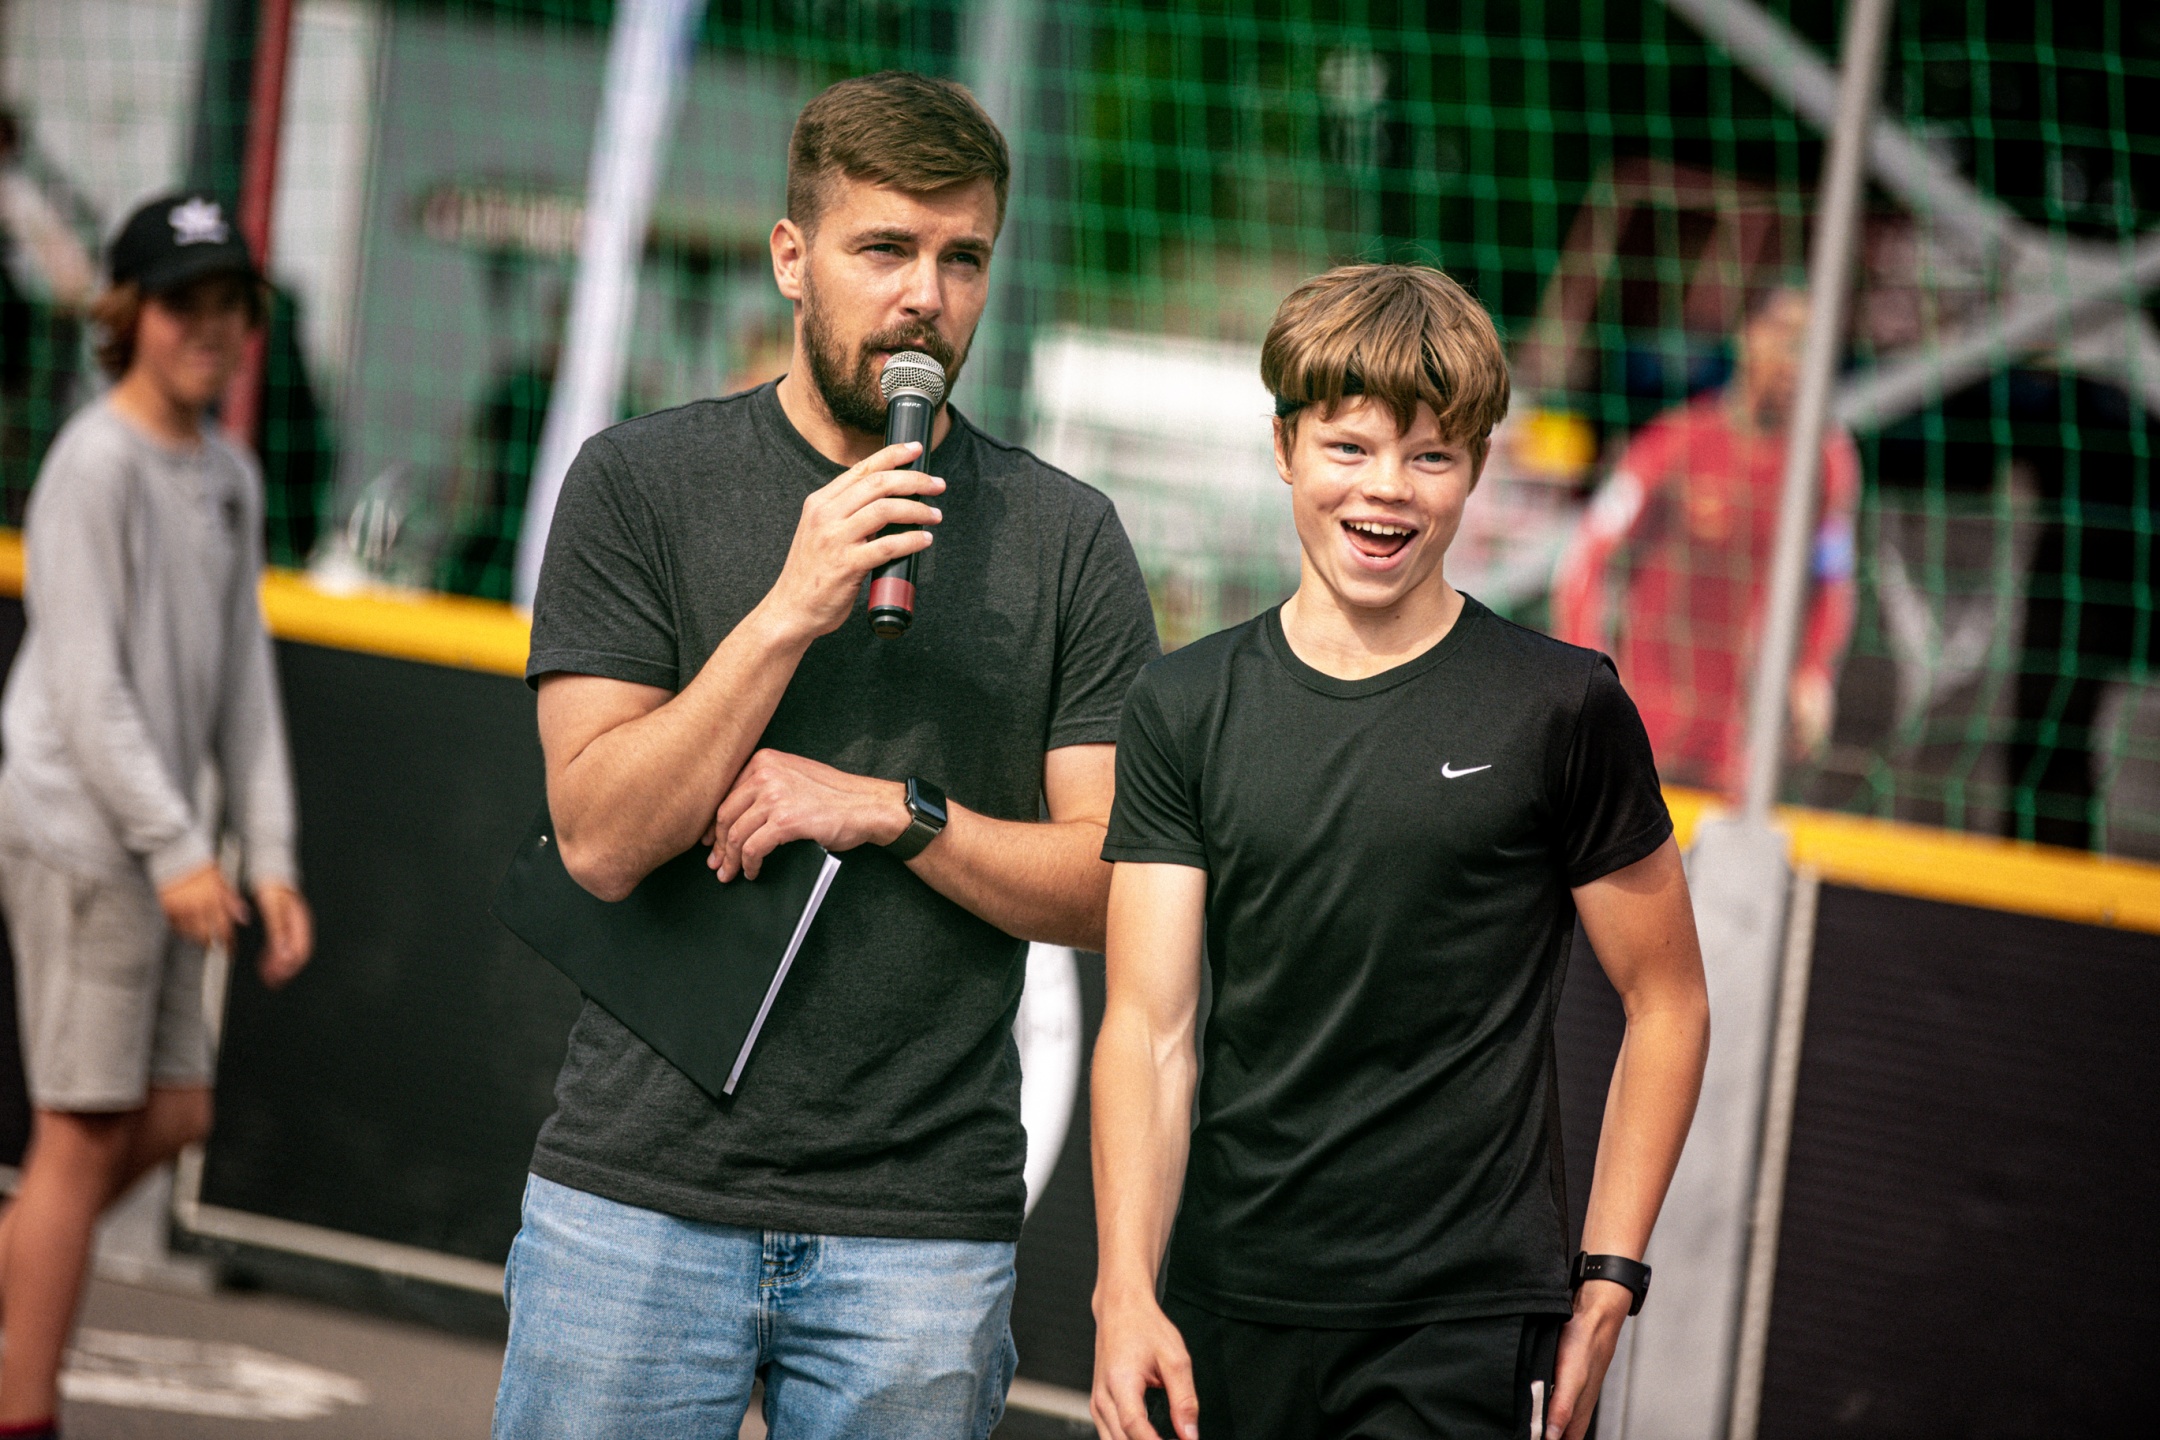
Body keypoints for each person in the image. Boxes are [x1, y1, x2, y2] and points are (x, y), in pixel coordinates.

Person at [492, 71, 1160, 1439]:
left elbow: (1112, 886)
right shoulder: (640, 483)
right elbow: (600, 839)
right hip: (637, 1200)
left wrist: (892, 811)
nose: (926, 298)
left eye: (962, 258)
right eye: (885, 250)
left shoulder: (1066, 538)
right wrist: (789, 611)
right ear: (791, 258)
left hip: (918, 1231)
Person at [1089, 264, 1711, 1440]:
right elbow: (1150, 1029)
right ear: (1283, 447)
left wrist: (1609, 1279)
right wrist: (1124, 1289)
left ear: (1476, 467)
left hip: (1463, 1323)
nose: (1387, 488)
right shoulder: (1184, 705)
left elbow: (1669, 1000)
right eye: (1349, 446)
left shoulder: (1560, 705)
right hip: (1229, 1304)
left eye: (1431, 455)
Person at [0, 191, 314, 1438]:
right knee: (80, 1138)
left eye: (230, 303)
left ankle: (28, 1262)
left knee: (176, 1111)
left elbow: (244, 685)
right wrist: (180, 849)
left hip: (162, 852)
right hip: (87, 840)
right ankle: (24, 1410)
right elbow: (85, 691)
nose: (211, 327)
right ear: (126, 316)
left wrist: (269, 856)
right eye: (184, 304)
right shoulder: (93, 464)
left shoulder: (228, 475)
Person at [1551, 288, 1860, 795]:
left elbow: (1831, 580)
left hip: (1738, 741)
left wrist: (1813, 672)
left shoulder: (1825, 464)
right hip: (1640, 725)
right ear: (1747, 335)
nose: (1799, 360)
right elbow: (1586, 558)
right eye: (1787, 337)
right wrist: (1587, 677)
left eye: (1816, 346)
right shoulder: (1676, 442)